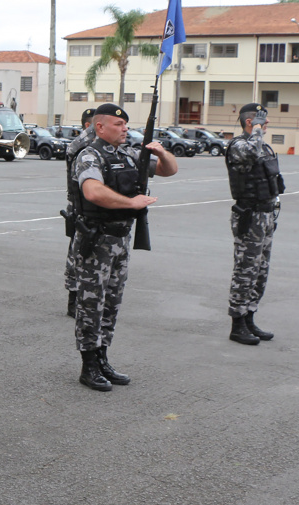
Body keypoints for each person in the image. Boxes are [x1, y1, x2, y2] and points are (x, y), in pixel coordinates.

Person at [71, 103, 177, 392]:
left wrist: (160, 152)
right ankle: (88, 364)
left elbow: (170, 171)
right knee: (91, 304)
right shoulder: (89, 155)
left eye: (126, 125)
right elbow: (92, 190)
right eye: (118, 125)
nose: (125, 128)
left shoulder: (128, 154)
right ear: (100, 127)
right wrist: (131, 203)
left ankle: (103, 357)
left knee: (111, 303)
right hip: (97, 240)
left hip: (121, 240)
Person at [225, 103, 284, 345]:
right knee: (245, 270)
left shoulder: (263, 146)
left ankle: (249, 317)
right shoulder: (239, 145)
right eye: (261, 121)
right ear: (250, 122)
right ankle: (237, 324)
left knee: (260, 271)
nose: (266, 125)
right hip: (250, 216)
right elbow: (249, 154)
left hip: (266, 215)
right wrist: (257, 128)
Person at [62, 108, 96, 317]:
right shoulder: (81, 146)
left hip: (88, 208)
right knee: (76, 255)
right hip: (79, 208)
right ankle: (73, 299)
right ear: (88, 126)